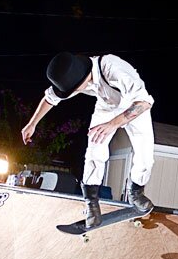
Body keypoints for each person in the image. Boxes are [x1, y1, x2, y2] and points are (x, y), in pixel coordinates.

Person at [21, 52, 155, 228]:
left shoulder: (114, 69)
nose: (76, 92)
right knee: (95, 148)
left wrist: (113, 124)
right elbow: (50, 99)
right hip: (106, 106)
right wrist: (32, 124)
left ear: (83, 78)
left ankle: (136, 193)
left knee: (145, 155)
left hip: (135, 107)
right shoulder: (73, 75)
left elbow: (144, 103)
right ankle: (91, 203)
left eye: (76, 89)